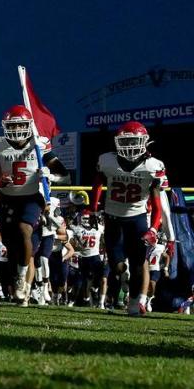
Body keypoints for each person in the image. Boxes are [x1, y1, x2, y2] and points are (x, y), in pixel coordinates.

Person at [0, 105, 67, 306]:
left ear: (29, 125)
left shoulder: (39, 144)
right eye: (12, 126)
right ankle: (18, 282)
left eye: (21, 125)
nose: (16, 130)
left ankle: (23, 280)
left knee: (24, 230)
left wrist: (51, 176)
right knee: (11, 247)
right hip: (8, 199)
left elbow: (63, 174)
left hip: (31, 198)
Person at [90, 121, 167, 316]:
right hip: (112, 217)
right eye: (127, 140)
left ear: (144, 142)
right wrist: (92, 209)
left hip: (137, 219)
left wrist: (154, 228)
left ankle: (134, 302)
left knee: (138, 263)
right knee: (117, 266)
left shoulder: (153, 166)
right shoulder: (107, 160)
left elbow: (158, 204)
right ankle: (125, 278)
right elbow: (97, 184)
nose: (131, 145)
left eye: (135, 140)